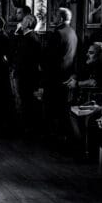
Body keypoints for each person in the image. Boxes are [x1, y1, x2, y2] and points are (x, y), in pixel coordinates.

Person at [42, 8, 78, 138]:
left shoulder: (57, 33)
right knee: (61, 108)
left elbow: (49, 57)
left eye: (55, 16)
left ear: (61, 18)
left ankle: (53, 137)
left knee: (52, 109)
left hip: (54, 77)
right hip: (66, 75)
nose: (53, 18)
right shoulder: (72, 32)